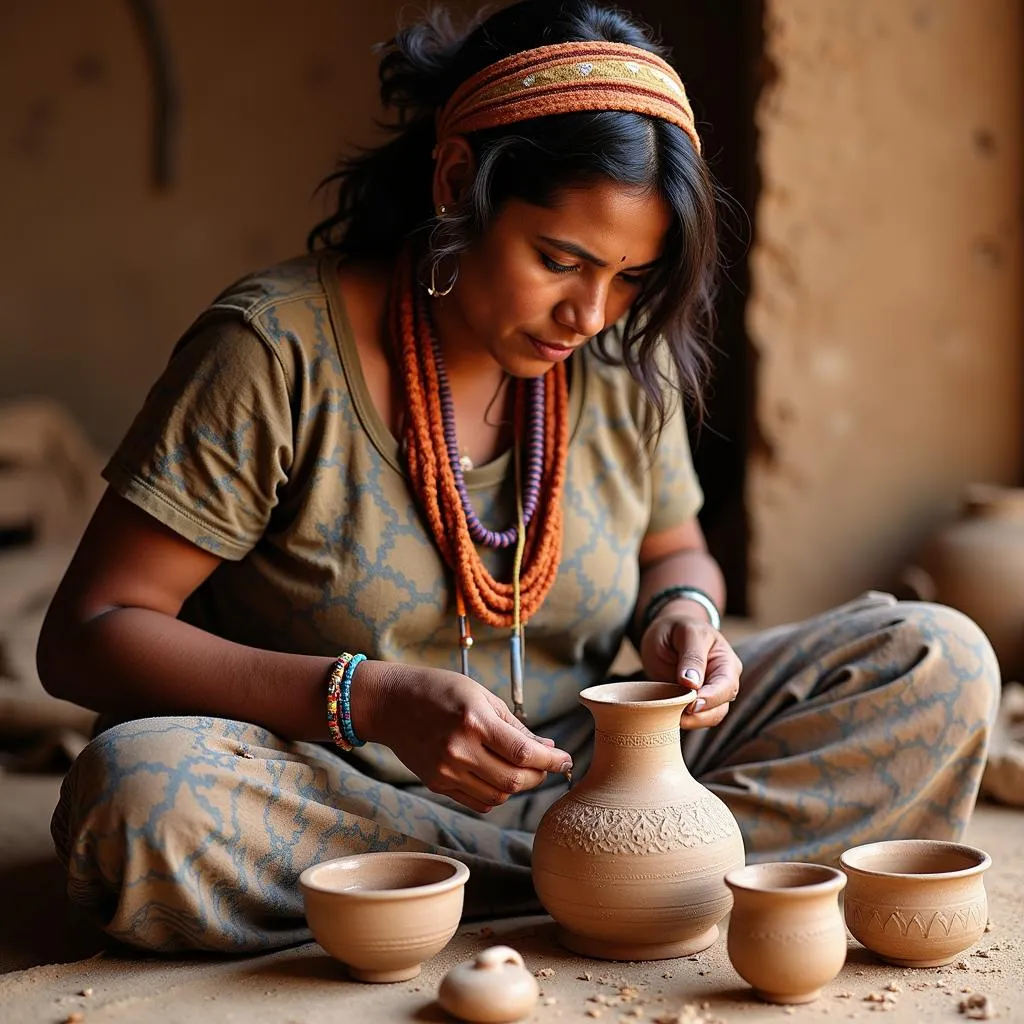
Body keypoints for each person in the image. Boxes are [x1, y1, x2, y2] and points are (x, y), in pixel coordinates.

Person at [39, 0, 999, 955]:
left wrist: (686, 619)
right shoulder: (274, 350)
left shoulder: (616, 356)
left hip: (598, 766)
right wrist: (366, 698)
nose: (590, 311)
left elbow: (680, 553)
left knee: (939, 659)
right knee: (138, 797)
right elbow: (87, 637)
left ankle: (483, 887)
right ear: (458, 180)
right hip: (336, 778)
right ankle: (622, 882)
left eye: (629, 277)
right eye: (560, 260)